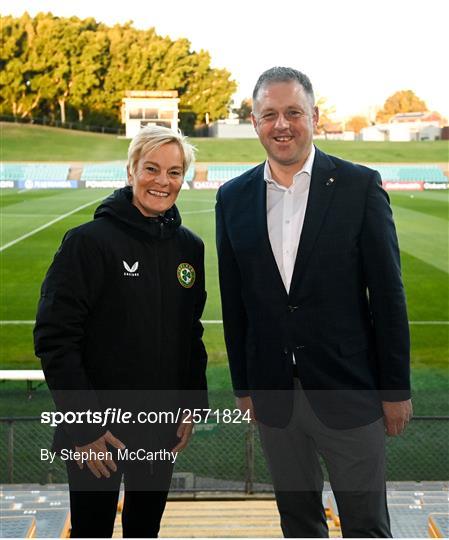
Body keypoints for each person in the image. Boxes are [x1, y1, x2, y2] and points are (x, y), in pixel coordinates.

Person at [216, 67, 412, 538]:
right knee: (299, 524)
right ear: (255, 121)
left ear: (314, 117)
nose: (281, 125)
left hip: (350, 390)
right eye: (269, 115)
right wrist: (244, 386)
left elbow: (387, 295)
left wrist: (395, 389)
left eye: (292, 113)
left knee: (366, 524)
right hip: (274, 396)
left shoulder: (358, 187)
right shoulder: (232, 197)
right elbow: (235, 300)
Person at [34, 125, 208, 538]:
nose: (162, 182)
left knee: (145, 528)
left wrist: (190, 405)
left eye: (174, 172)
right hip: (98, 431)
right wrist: (86, 426)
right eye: (151, 168)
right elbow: (55, 339)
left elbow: (191, 332)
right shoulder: (87, 242)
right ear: (131, 171)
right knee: (92, 531)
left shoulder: (190, 247)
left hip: (159, 426)